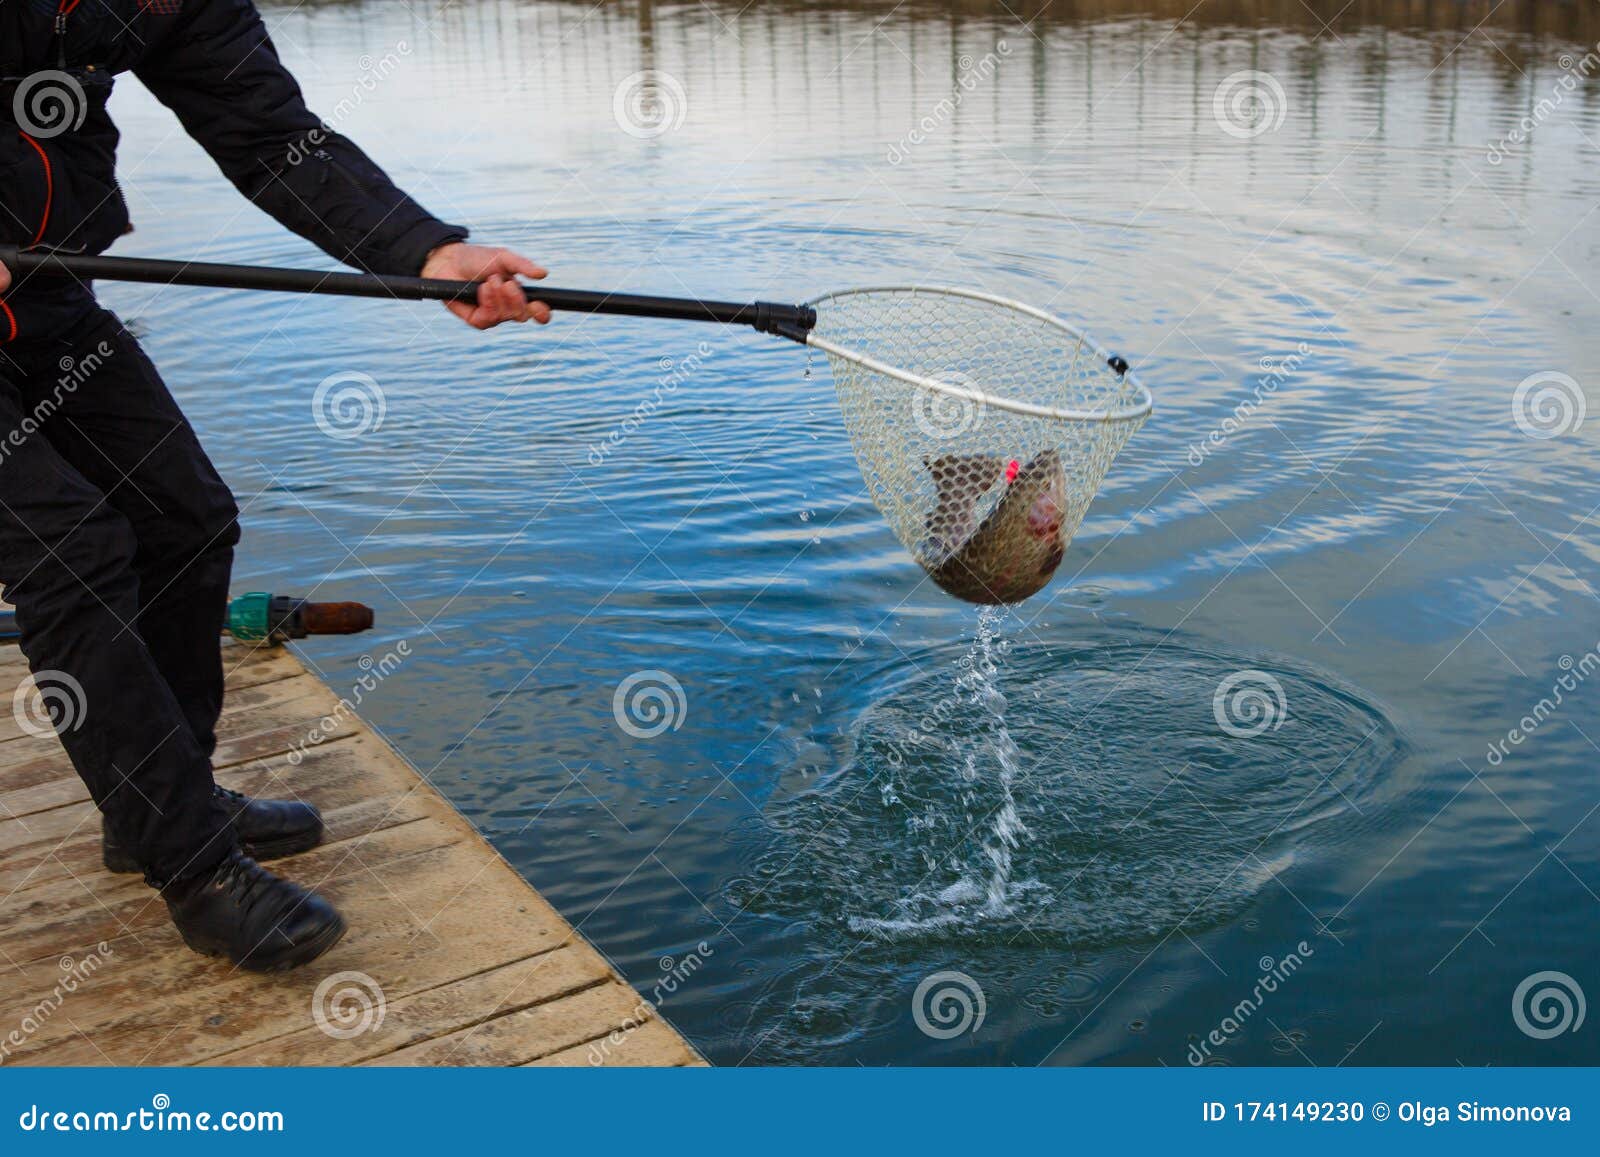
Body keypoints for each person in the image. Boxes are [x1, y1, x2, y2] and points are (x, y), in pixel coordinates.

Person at [0, 0, 547, 971]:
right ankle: (198, 869)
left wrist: (423, 251)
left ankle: (159, 803)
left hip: (42, 296)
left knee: (184, 517)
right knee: (70, 550)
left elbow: (269, 136)